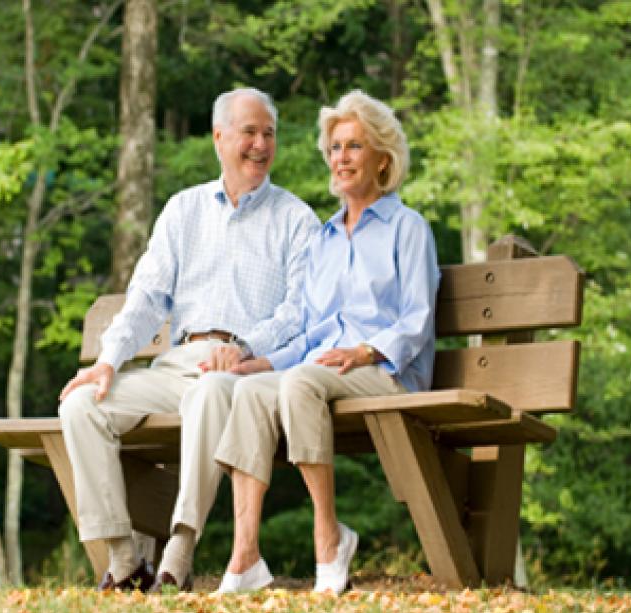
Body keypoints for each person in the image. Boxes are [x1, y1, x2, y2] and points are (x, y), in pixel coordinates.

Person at [57, 87, 320, 592]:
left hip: (247, 373)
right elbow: (145, 298)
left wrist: (244, 347)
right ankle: (124, 559)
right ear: (219, 138)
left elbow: (298, 312)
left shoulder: (296, 219)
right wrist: (108, 361)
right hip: (178, 364)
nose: (261, 144)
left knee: (209, 391)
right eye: (249, 132)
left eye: (269, 134)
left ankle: (178, 551)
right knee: (81, 405)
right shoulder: (183, 210)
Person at [211, 90, 440, 594]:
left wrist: (366, 351)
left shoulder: (408, 228)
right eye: (335, 148)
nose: (341, 158)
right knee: (250, 391)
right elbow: (311, 332)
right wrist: (260, 362)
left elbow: (417, 319)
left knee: (300, 383)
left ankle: (329, 537)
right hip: (322, 373)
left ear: (383, 158)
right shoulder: (325, 239)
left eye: (355, 146)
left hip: (389, 374)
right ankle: (245, 556)